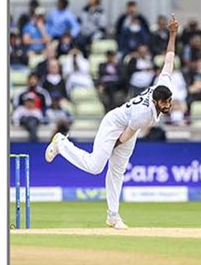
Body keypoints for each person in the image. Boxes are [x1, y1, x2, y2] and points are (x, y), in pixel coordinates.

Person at [45, 15, 181, 230]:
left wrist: (173, 34)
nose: (169, 105)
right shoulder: (144, 114)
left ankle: (113, 216)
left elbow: (168, 61)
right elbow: (123, 136)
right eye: (166, 103)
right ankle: (62, 143)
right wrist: (108, 148)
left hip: (129, 129)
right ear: (156, 101)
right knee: (96, 166)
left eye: (169, 102)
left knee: (117, 171)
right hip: (115, 125)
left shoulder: (164, 87)